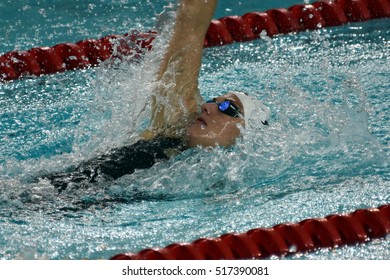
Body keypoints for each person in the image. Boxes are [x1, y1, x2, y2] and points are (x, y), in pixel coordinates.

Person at [43, 0, 270, 192]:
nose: (207, 107)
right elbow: (190, 25)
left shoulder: (227, 182)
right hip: (48, 193)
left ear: (246, 139)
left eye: (228, 109)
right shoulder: (173, 127)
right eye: (213, 101)